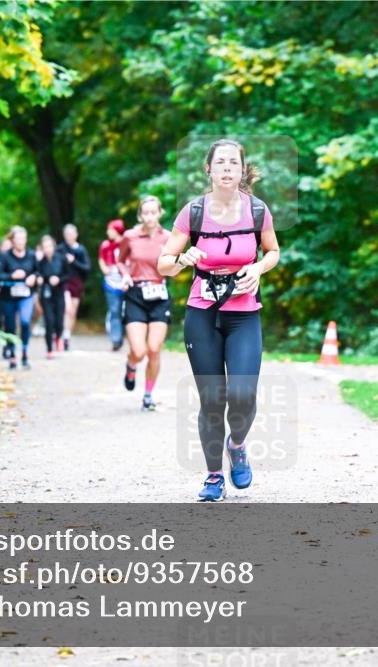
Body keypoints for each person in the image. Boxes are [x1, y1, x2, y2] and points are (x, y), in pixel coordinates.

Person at [157, 139, 280, 502]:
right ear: (208, 169)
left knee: (242, 395)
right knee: (212, 399)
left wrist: (257, 268)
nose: (227, 168)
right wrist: (183, 259)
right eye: (221, 162)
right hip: (202, 313)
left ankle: (236, 444)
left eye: (234, 163)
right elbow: (164, 263)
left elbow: (273, 251)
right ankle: (213, 477)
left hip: (244, 314)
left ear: (242, 170)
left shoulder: (257, 210)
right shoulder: (193, 212)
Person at [118, 196, 171, 412]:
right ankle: (131, 364)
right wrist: (125, 275)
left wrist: (174, 267)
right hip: (136, 294)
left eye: (153, 212)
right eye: (145, 213)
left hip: (159, 294)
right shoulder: (130, 236)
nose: (149, 216)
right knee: (139, 351)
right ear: (140, 215)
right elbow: (120, 261)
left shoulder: (169, 237)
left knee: (154, 349)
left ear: (160, 213)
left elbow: (174, 264)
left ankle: (148, 395)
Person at [0, 226, 39, 370]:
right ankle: (12, 354)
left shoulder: (31, 255)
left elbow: (39, 271)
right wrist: (11, 276)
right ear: (12, 241)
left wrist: (33, 277)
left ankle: (24, 352)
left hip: (26, 295)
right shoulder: (5, 256)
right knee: (10, 325)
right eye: (18, 239)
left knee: (25, 321)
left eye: (23, 239)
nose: (20, 241)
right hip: (8, 297)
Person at [58, 224, 91, 351]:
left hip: (77, 283)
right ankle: (61, 334)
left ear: (76, 235)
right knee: (67, 309)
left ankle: (67, 336)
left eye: (71, 234)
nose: (69, 236)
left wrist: (73, 261)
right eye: (67, 234)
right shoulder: (60, 249)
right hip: (64, 282)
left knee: (73, 312)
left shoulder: (81, 250)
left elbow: (87, 268)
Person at [37, 234, 67, 359]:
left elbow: (68, 275)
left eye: (49, 246)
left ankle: (58, 337)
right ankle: (49, 349)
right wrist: (40, 278)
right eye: (45, 247)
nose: (47, 249)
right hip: (46, 294)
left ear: (54, 247)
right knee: (49, 321)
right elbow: (37, 273)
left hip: (59, 293)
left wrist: (59, 279)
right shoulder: (40, 262)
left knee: (59, 322)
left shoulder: (61, 258)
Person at [99, 219, 126, 351]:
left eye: (110, 229)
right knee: (114, 311)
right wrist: (104, 268)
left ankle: (124, 335)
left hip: (126, 282)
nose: (107, 232)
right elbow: (101, 259)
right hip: (111, 283)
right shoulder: (105, 245)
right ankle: (116, 339)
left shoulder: (126, 243)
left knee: (126, 312)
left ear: (117, 230)